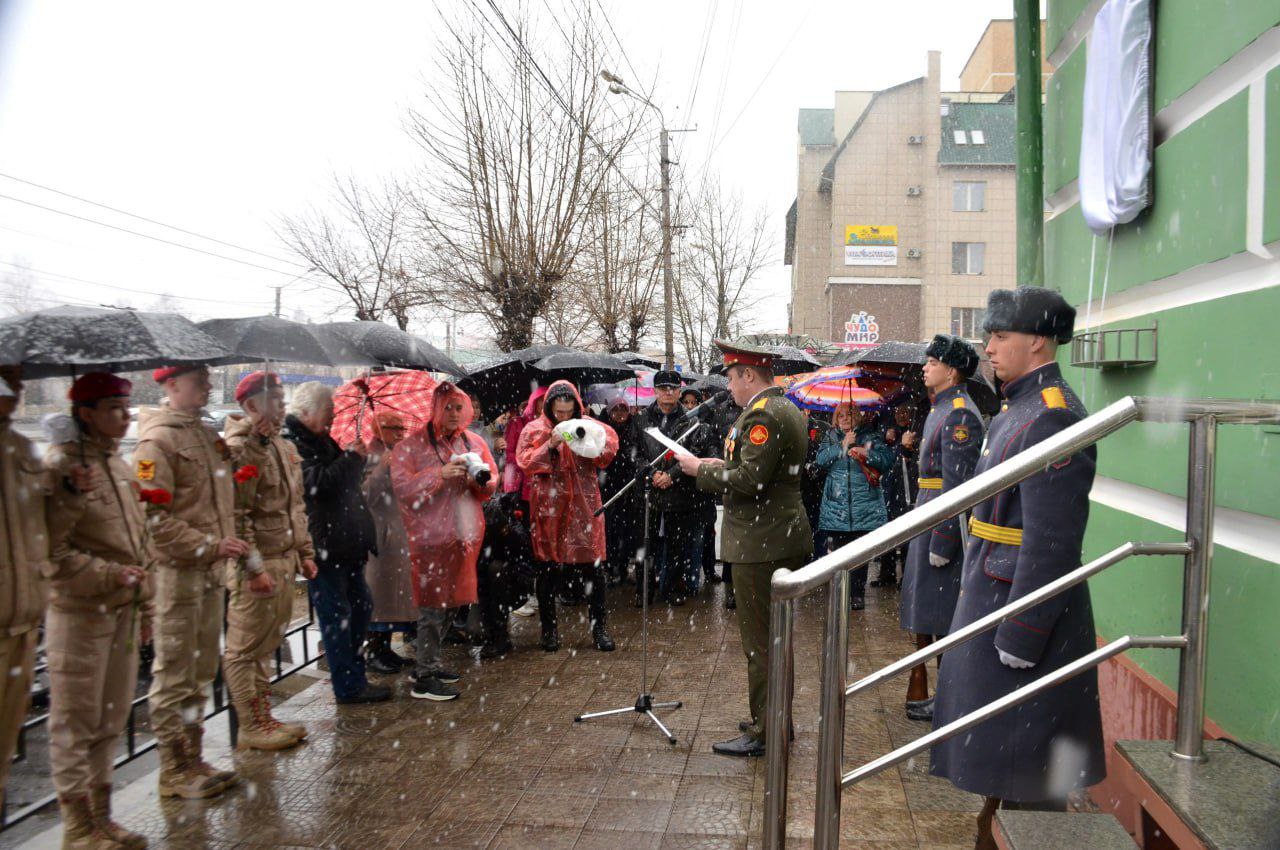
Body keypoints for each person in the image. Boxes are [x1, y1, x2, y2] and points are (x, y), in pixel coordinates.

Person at [929, 287, 1102, 850]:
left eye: (1001, 337)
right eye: (989, 337)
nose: (989, 348)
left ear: (1038, 340)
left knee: (1029, 770)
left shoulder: (1052, 416)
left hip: (1020, 612)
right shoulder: (1018, 406)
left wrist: (1023, 633)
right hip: (992, 591)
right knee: (1004, 761)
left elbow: (1052, 543)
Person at [676, 341, 811, 758]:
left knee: (762, 642)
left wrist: (703, 469)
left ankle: (767, 729)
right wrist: (715, 465)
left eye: (732, 378)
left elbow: (750, 479)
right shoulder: (777, 409)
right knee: (774, 639)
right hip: (772, 535)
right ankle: (773, 717)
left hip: (762, 542)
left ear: (749, 375)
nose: (730, 386)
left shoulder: (765, 415)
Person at [45, 373, 154, 848]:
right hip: (81, 613)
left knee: (111, 718)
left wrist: (145, 600)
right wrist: (111, 574)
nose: (126, 416)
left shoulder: (120, 464)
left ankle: (102, 817)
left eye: (126, 406)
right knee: (76, 721)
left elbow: (139, 539)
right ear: (85, 413)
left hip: (124, 608)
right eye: (113, 407)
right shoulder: (61, 469)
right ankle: (78, 826)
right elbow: (51, 555)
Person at [135, 364, 240, 799]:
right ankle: (173, 769)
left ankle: (193, 758)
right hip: (178, 573)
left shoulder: (202, 434)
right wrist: (206, 545)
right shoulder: (156, 442)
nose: (209, 387)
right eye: (199, 381)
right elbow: (152, 518)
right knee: (175, 672)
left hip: (208, 572)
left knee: (199, 671)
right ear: (171, 385)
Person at [222, 371, 319, 749]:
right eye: (275, 400)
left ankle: (263, 718)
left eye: (283, 399)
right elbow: (238, 515)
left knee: (264, 647)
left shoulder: (277, 444)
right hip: (259, 565)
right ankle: (251, 723)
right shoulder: (242, 448)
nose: (283, 406)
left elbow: (294, 507)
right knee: (245, 650)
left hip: (283, 559)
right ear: (250, 406)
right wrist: (253, 568)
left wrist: (304, 554)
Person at [283, 382, 390, 705]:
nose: (331, 419)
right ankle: (348, 686)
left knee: (359, 611)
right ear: (305, 413)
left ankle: (354, 678)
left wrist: (354, 461)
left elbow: (339, 481)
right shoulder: (293, 444)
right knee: (337, 618)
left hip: (346, 543)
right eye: (326, 414)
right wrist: (351, 460)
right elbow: (315, 484)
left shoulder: (318, 438)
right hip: (325, 547)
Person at [391, 381, 497, 700]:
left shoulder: (473, 441)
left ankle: (431, 662)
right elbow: (403, 489)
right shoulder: (413, 444)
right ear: (434, 409)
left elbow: (489, 484)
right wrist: (439, 476)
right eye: (447, 407)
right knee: (432, 605)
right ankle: (424, 675)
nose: (454, 413)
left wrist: (474, 480)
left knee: (455, 601)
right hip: (428, 539)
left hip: (464, 536)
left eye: (458, 406)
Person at [897, 336, 984, 722]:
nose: (924, 367)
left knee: (945, 614)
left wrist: (945, 541)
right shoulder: (941, 409)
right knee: (924, 607)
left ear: (951, 371)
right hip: (927, 510)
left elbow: (958, 486)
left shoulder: (960, 415)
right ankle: (934, 689)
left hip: (942, 519)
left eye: (932, 362)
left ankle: (950, 695)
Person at [0, 366, 73, 815]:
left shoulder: (22, 449)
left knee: (8, 742)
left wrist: (68, 492)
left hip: (24, 615)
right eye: (9, 380)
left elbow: (47, 531)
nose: (18, 388)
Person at [515, 380, 618, 653]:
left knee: (594, 571)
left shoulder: (588, 424)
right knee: (547, 570)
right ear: (549, 407)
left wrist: (587, 440)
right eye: (558, 413)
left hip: (584, 508)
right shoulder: (534, 429)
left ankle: (600, 629)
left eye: (568, 412)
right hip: (549, 509)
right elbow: (525, 461)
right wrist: (550, 446)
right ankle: (549, 631)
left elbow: (607, 451)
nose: (563, 417)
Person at [632, 371, 706, 606]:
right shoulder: (642, 418)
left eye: (673, 388)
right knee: (646, 544)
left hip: (679, 491)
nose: (668, 392)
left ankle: (672, 589)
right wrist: (652, 473)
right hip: (649, 492)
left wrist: (671, 476)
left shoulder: (690, 420)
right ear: (655, 391)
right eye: (663, 388)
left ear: (679, 392)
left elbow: (694, 452)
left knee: (677, 544)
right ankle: (643, 592)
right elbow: (633, 452)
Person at [815, 402, 892, 611]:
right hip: (836, 505)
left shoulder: (869, 436)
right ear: (835, 419)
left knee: (859, 553)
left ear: (857, 417)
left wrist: (866, 453)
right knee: (839, 552)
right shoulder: (831, 437)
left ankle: (857, 594)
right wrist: (841, 446)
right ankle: (842, 592)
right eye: (841, 416)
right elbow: (820, 460)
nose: (845, 419)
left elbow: (886, 460)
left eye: (849, 415)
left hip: (863, 504)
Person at [361, 410, 417, 674]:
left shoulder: (397, 452)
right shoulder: (366, 454)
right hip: (379, 535)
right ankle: (374, 651)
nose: (401, 433)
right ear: (379, 429)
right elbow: (365, 495)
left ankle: (385, 649)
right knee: (379, 597)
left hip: (398, 534)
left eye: (402, 428)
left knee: (393, 596)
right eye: (395, 428)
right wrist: (383, 466)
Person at [505, 387, 547, 619]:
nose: (543, 405)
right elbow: (511, 455)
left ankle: (541, 591)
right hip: (523, 493)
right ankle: (523, 594)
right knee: (524, 545)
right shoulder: (518, 423)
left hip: (546, 493)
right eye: (540, 401)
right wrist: (530, 458)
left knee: (541, 544)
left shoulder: (551, 426)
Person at [680, 387, 721, 589]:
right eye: (685, 402)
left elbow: (713, 454)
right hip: (683, 492)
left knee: (705, 536)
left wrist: (699, 462)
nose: (689, 406)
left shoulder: (706, 429)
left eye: (692, 402)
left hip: (703, 491)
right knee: (688, 541)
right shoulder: (679, 427)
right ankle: (689, 580)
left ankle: (707, 571)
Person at [597, 396, 641, 587]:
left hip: (629, 488)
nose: (620, 414)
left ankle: (622, 569)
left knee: (627, 533)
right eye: (616, 410)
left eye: (623, 410)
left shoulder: (635, 429)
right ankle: (611, 569)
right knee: (610, 532)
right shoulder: (602, 430)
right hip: (608, 487)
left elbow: (638, 452)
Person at [875, 403, 918, 586]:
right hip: (890, 488)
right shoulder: (887, 430)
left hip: (908, 488)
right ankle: (887, 574)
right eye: (898, 411)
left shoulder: (915, 430)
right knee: (888, 532)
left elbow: (910, 461)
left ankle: (906, 576)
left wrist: (908, 447)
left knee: (907, 533)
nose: (901, 415)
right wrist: (888, 439)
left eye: (905, 411)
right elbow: (886, 458)